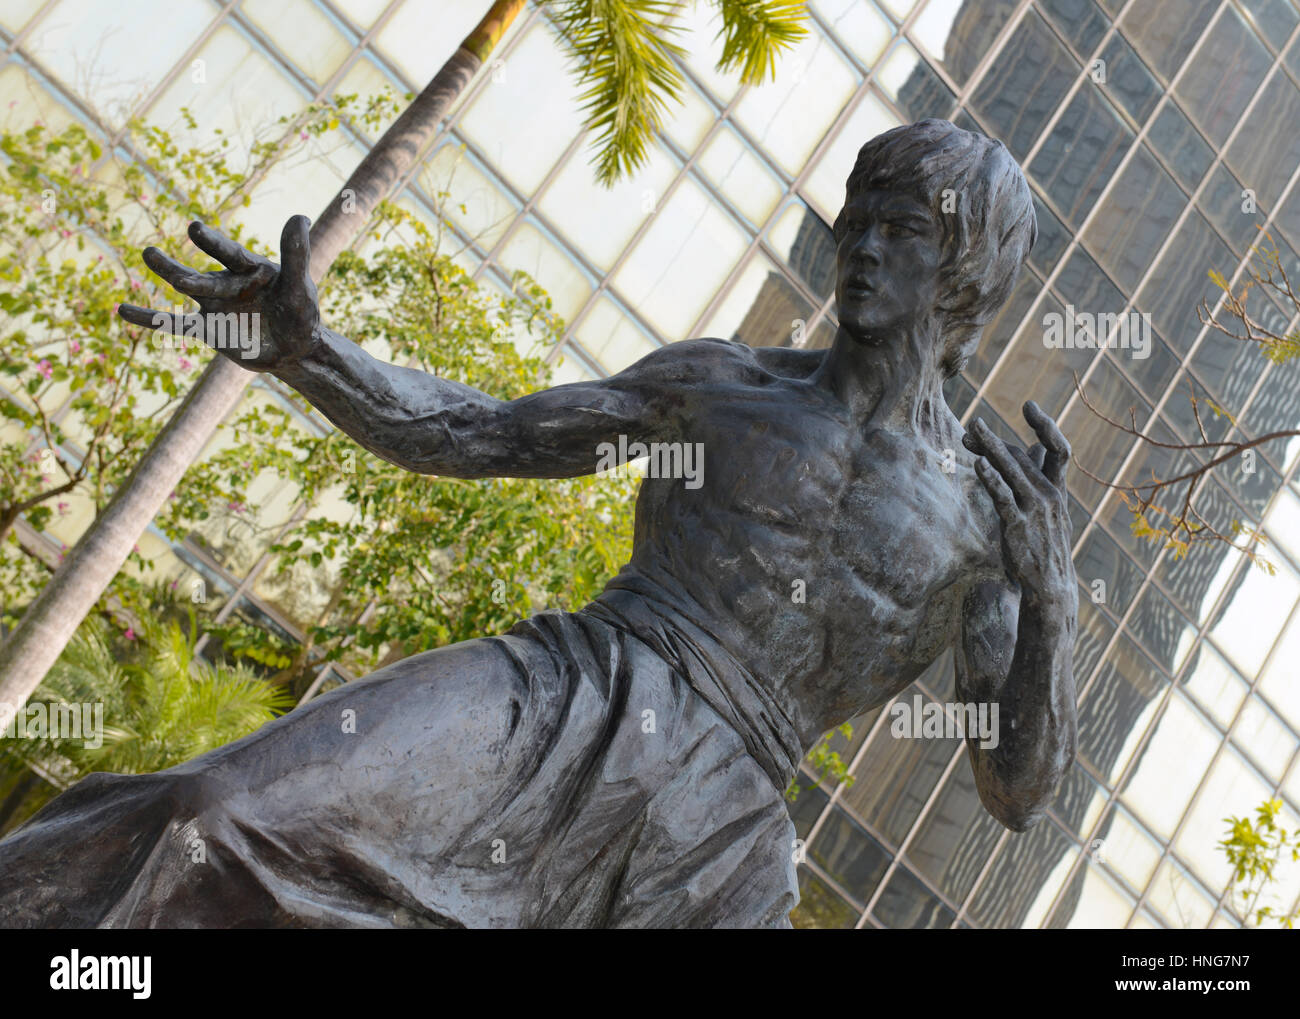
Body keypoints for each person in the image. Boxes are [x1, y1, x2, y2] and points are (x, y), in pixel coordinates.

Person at [0, 119, 1077, 929]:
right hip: (573, 687)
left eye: (904, 231)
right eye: (860, 221)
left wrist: (1051, 612)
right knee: (212, 810)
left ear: (967, 272)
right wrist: (311, 357)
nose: (865, 248)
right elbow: (479, 434)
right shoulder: (723, 384)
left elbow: (1017, 789)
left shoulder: (987, 521)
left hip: (726, 822)